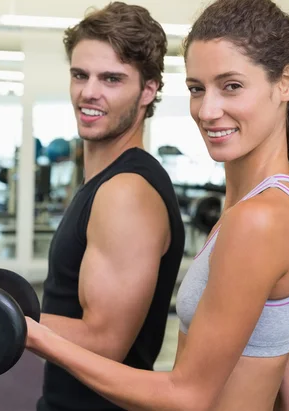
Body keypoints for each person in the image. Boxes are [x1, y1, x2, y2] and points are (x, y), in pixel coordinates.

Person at [25, 0, 289, 410]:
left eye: (232, 86)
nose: (207, 110)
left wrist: (27, 330)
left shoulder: (259, 221)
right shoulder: (277, 206)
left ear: (286, 83)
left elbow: (187, 395)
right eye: (196, 89)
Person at [35, 2, 187, 411]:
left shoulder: (127, 193)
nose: (89, 91)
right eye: (80, 75)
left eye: (112, 79)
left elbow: (104, 343)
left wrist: (5, 313)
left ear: (148, 91)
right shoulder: (104, 182)